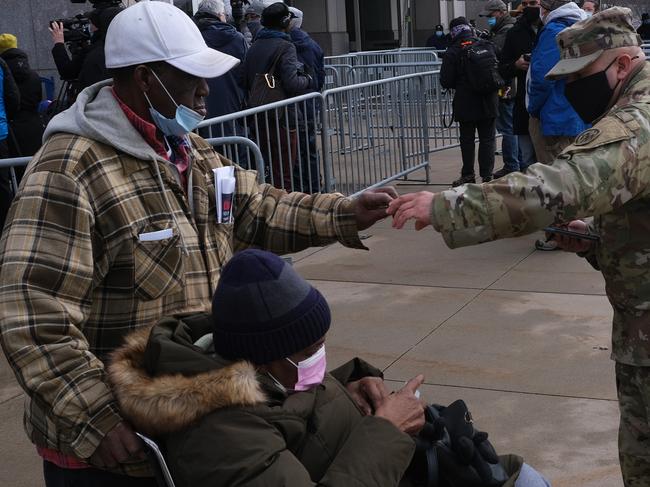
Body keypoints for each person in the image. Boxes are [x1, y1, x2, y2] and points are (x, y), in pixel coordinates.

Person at [0, 2, 395, 486]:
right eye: (191, 76)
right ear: (146, 79)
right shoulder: (69, 171)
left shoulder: (189, 151)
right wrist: (96, 415)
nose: (205, 91)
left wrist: (345, 212)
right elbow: (34, 312)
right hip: (114, 453)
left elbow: (258, 208)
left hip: (192, 430)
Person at [388, 7, 650, 486]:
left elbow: (556, 187)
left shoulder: (635, 125)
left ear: (621, 64)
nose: (573, 89)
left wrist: (447, 207)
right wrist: (595, 240)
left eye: (583, 75)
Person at [109, 249, 552, 487]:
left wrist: (352, 385)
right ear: (268, 355)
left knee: (519, 475)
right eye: (313, 350)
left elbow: (289, 408)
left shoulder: (260, 372)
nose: (321, 358)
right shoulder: (218, 436)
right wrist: (387, 432)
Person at [240, 2, 314, 189]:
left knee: (265, 167)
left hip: (258, 116)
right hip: (282, 118)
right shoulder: (286, 46)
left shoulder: (254, 46)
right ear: (284, 22)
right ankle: (284, 211)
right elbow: (292, 83)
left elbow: (245, 80)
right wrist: (307, 78)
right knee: (284, 171)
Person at [526, 0, 588, 166]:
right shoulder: (584, 28)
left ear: (547, 9)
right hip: (579, 115)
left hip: (554, 117)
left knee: (555, 178)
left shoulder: (554, 31)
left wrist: (533, 109)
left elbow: (543, 78)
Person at [440, 17, 499, 187]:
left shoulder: (453, 51)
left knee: (467, 140)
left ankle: (468, 175)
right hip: (489, 100)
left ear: (453, 32)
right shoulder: (486, 44)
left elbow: (445, 81)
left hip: (466, 102)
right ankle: (487, 177)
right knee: (488, 139)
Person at [193, 0, 249, 165]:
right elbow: (244, 74)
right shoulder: (237, 38)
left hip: (199, 107)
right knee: (235, 158)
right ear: (220, 15)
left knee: (204, 156)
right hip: (231, 104)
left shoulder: (192, 36)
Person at [498, 0, 542, 173]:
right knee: (528, 161)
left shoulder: (555, 29)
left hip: (550, 108)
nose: (529, 6)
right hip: (525, 103)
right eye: (525, 2)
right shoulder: (515, 32)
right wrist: (515, 65)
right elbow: (503, 68)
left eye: (534, 2)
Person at [480, 0, 519, 179]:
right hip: (508, 82)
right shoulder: (503, 29)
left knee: (507, 127)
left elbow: (496, 53)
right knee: (509, 125)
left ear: (501, 12)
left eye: (490, 15)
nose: (488, 19)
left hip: (506, 84)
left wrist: (485, 44)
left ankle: (512, 165)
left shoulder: (506, 31)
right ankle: (514, 164)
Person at [288, 6, 325, 193]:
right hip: (309, 102)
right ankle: (312, 186)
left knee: (296, 149)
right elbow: (320, 75)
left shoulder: (287, 45)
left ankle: (303, 187)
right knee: (308, 147)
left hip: (295, 103)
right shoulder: (312, 44)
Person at [48, 5, 124, 94]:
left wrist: (59, 43)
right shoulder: (126, 47)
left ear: (101, 26)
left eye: (91, 24)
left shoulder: (94, 53)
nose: (89, 27)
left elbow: (68, 72)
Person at [0, 38, 45, 158]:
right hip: (34, 126)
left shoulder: (3, 74)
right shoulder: (34, 75)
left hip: (11, 128)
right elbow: (39, 98)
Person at [0, 53, 20, 234]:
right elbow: (13, 97)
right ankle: (7, 230)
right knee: (3, 183)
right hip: (1, 133)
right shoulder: (1, 64)